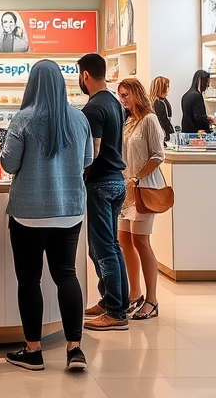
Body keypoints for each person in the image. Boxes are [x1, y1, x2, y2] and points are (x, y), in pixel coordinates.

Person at [0, 60, 94, 372]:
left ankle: (33, 351)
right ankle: (75, 349)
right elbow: (87, 160)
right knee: (66, 274)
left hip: (28, 213)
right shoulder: (79, 119)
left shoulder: (22, 119)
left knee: (29, 278)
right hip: (69, 211)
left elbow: (9, 164)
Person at [77, 53, 130, 333]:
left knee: (103, 248)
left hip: (99, 184)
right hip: (116, 181)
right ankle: (114, 300)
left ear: (85, 75)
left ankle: (116, 311)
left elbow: (93, 152)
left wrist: (76, 168)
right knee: (109, 246)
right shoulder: (114, 103)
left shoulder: (93, 108)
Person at [116, 78, 166, 321]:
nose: (123, 99)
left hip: (143, 189)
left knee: (141, 242)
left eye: (126, 94)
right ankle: (134, 294)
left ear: (137, 93)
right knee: (124, 240)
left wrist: (137, 177)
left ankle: (152, 299)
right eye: (120, 95)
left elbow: (158, 155)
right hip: (127, 191)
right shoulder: (128, 122)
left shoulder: (150, 120)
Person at [150, 76, 175, 142]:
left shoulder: (153, 102)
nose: (168, 89)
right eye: (167, 87)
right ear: (162, 88)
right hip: (163, 136)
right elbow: (164, 121)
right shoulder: (160, 103)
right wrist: (171, 134)